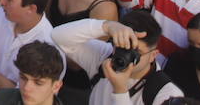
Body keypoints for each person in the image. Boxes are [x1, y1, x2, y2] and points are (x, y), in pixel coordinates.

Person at [52, 11, 185, 105]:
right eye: (122, 47)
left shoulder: (166, 94)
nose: (125, 56)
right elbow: (58, 36)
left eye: (135, 52)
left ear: (153, 55)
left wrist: (120, 91)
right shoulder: (105, 56)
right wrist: (106, 26)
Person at [0, 40, 66, 105]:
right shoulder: (1, 99)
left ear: (56, 86)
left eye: (38, 83)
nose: (26, 88)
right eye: (23, 78)